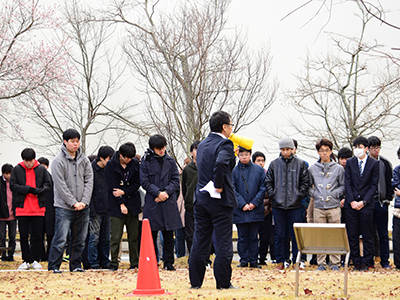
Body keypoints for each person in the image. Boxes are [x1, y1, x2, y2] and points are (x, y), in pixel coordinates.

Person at [189, 111, 237, 289]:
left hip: (201, 198)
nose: (231, 128)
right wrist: (218, 184)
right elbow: (220, 164)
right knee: (223, 242)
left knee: (200, 241)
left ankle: (195, 282)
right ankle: (223, 283)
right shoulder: (225, 143)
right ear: (224, 127)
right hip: (220, 200)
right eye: (231, 125)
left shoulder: (201, 145)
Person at [48, 129, 93, 273]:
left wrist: (84, 202)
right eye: (72, 141)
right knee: (60, 239)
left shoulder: (84, 160)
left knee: (79, 239)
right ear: (65, 142)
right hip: (64, 207)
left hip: (83, 206)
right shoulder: (57, 161)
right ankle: (54, 266)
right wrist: (74, 202)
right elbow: (60, 186)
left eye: (77, 141)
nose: (75, 144)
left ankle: (75, 265)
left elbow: (89, 181)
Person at [265, 137, 310, 271]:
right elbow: (268, 182)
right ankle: (281, 260)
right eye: (283, 149)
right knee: (280, 235)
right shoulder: (274, 164)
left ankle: (298, 260)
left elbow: (305, 183)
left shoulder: (300, 164)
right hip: (278, 206)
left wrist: (298, 195)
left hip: (296, 206)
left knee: (296, 235)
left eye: (288, 149)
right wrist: (274, 195)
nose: (285, 152)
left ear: (293, 150)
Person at [140, 134, 182, 271]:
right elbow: (144, 182)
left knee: (169, 235)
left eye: (163, 147)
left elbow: (176, 180)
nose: (161, 150)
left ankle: (169, 262)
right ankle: (151, 262)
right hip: (153, 202)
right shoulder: (145, 161)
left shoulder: (170, 161)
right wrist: (158, 193)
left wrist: (165, 193)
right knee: (151, 235)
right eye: (158, 148)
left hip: (168, 201)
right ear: (152, 148)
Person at [10, 148, 52, 270]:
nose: (29, 163)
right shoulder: (17, 169)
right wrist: (28, 189)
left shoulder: (41, 169)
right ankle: (25, 260)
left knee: (37, 235)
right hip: (22, 208)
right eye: (26, 161)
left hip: (38, 208)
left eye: (31, 161)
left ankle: (35, 259)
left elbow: (48, 185)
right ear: (23, 160)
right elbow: (13, 186)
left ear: (34, 159)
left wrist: (38, 191)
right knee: (23, 235)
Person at [308, 138, 345, 271]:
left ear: (331, 151)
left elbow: (343, 186)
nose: (324, 153)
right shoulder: (312, 168)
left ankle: (335, 262)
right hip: (318, 206)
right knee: (320, 234)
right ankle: (321, 262)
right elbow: (308, 187)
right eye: (322, 151)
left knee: (334, 234)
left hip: (334, 206)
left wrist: (335, 194)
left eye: (327, 150)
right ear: (318, 152)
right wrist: (316, 194)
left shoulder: (338, 169)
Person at [344, 136, 379, 271]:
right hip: (351, 205)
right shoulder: (350, 162)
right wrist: (352, 201)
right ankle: (356, 262)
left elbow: (373, 185)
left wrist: (364, 202)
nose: (358, 150)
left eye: (360, 147)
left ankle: (366, 262)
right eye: (355, 147)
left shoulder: (374, 164)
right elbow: (348, 183)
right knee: (352, 235)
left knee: (367, 235)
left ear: (366, 148)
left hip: (367, 205)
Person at [105, 142, 141, 271]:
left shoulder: (135, 164)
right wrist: (121, 203)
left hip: (133, 203)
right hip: (115, 205)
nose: (129, 160)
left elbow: (137, 183)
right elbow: (112, 187)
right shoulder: (111, 165)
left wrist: (124, 192)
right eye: (127, 158)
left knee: (134, 236)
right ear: (121, 155)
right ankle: (114, 262)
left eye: (131, 158)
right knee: (115, 236)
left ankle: (135, 262)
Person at [232, 146, 266, 268]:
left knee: (253, 237)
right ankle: (243, 260)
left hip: (255, 208)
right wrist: (242, 204)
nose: (244, 157)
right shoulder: (234, 171)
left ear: (250, 155)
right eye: (241, 155)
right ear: (238, 156)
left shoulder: (259, 170)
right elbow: (233, 189)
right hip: (240, 210)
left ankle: (253, 260)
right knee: (242, 237)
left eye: (246, 154)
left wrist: (254, 203)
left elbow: (263, 188)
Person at [367, 136, 393, 269]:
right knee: (369, 234)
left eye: (377, 147)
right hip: (368, 203)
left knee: (383, 234)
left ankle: (385, 261)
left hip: (382, 202)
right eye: (373, 148)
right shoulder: (363, 162)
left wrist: (388, 199)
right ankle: (369, 261)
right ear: (368, 148)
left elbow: (390, 183)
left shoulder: (385, 163)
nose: (376, 150)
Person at [88, 146, 115, 269]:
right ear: (102, 158)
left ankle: (105, 261)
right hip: (95, 210)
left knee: (106, 238)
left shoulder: (110, 170)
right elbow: (89, 192)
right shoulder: (90, 169)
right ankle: (93, 262)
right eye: (109, 159)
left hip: (108, 209)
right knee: (94, 238)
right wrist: (92, 210)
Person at [252, 151, 275, 265]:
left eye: (262, 161)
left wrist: (270, 209)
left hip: (266, 211)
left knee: (265, 237)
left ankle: (262, 258)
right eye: (258, 161)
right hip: (254, 210)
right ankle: (253, 258)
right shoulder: (251, 176)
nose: (261, 163)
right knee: (253, 236)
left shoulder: (268, 175)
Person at [182, 141, 200, 256]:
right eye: (196, 150)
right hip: (190, 206)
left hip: (204, 205)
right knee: (190, 234)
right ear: (191, 152)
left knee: (204, 233)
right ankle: (192, 256)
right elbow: (184, 187)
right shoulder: (187, 169)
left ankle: (205, 258)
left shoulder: (208, 167)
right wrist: (188, 199)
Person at [37, 157, 55, 261]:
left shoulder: (52, 179)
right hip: (38, 210)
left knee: (50, 235)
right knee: (39, 234)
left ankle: (50, 255)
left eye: (43, 166)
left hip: (50, 211)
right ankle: (40, 255)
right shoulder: (35, 180)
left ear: (47, 167)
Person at [0, 163, 15, 261]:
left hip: (13, 214)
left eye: (10, 173)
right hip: (1, 215)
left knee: (12, 237)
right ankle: (3, 255)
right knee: (1, 237)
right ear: (3, 173)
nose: (8, 176)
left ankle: (11, 255)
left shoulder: (14, 182)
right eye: (6, 174)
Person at [392, 146, 400, 270]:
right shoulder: (397, 170)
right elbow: (395, 185)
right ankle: (398, 264)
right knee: (397, 237)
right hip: (398, 209)